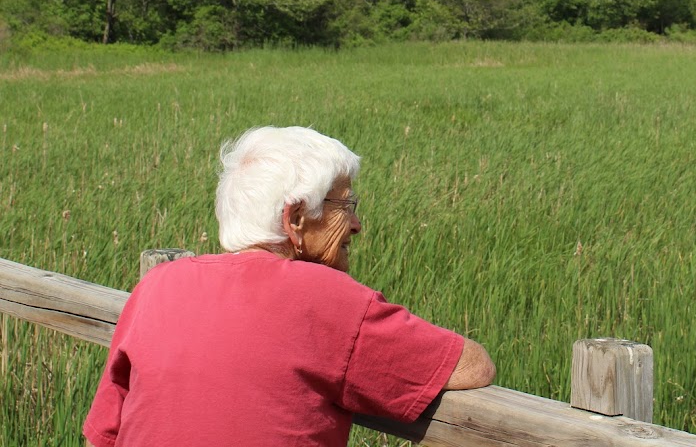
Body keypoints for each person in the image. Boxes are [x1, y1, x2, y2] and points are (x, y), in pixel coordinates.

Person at [83, 126, 495, 447]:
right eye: (345, 206)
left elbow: (104, 432)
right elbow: (473, 366)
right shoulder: (326, 297)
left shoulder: (159, 285)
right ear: (295, 218)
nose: (356, 224)